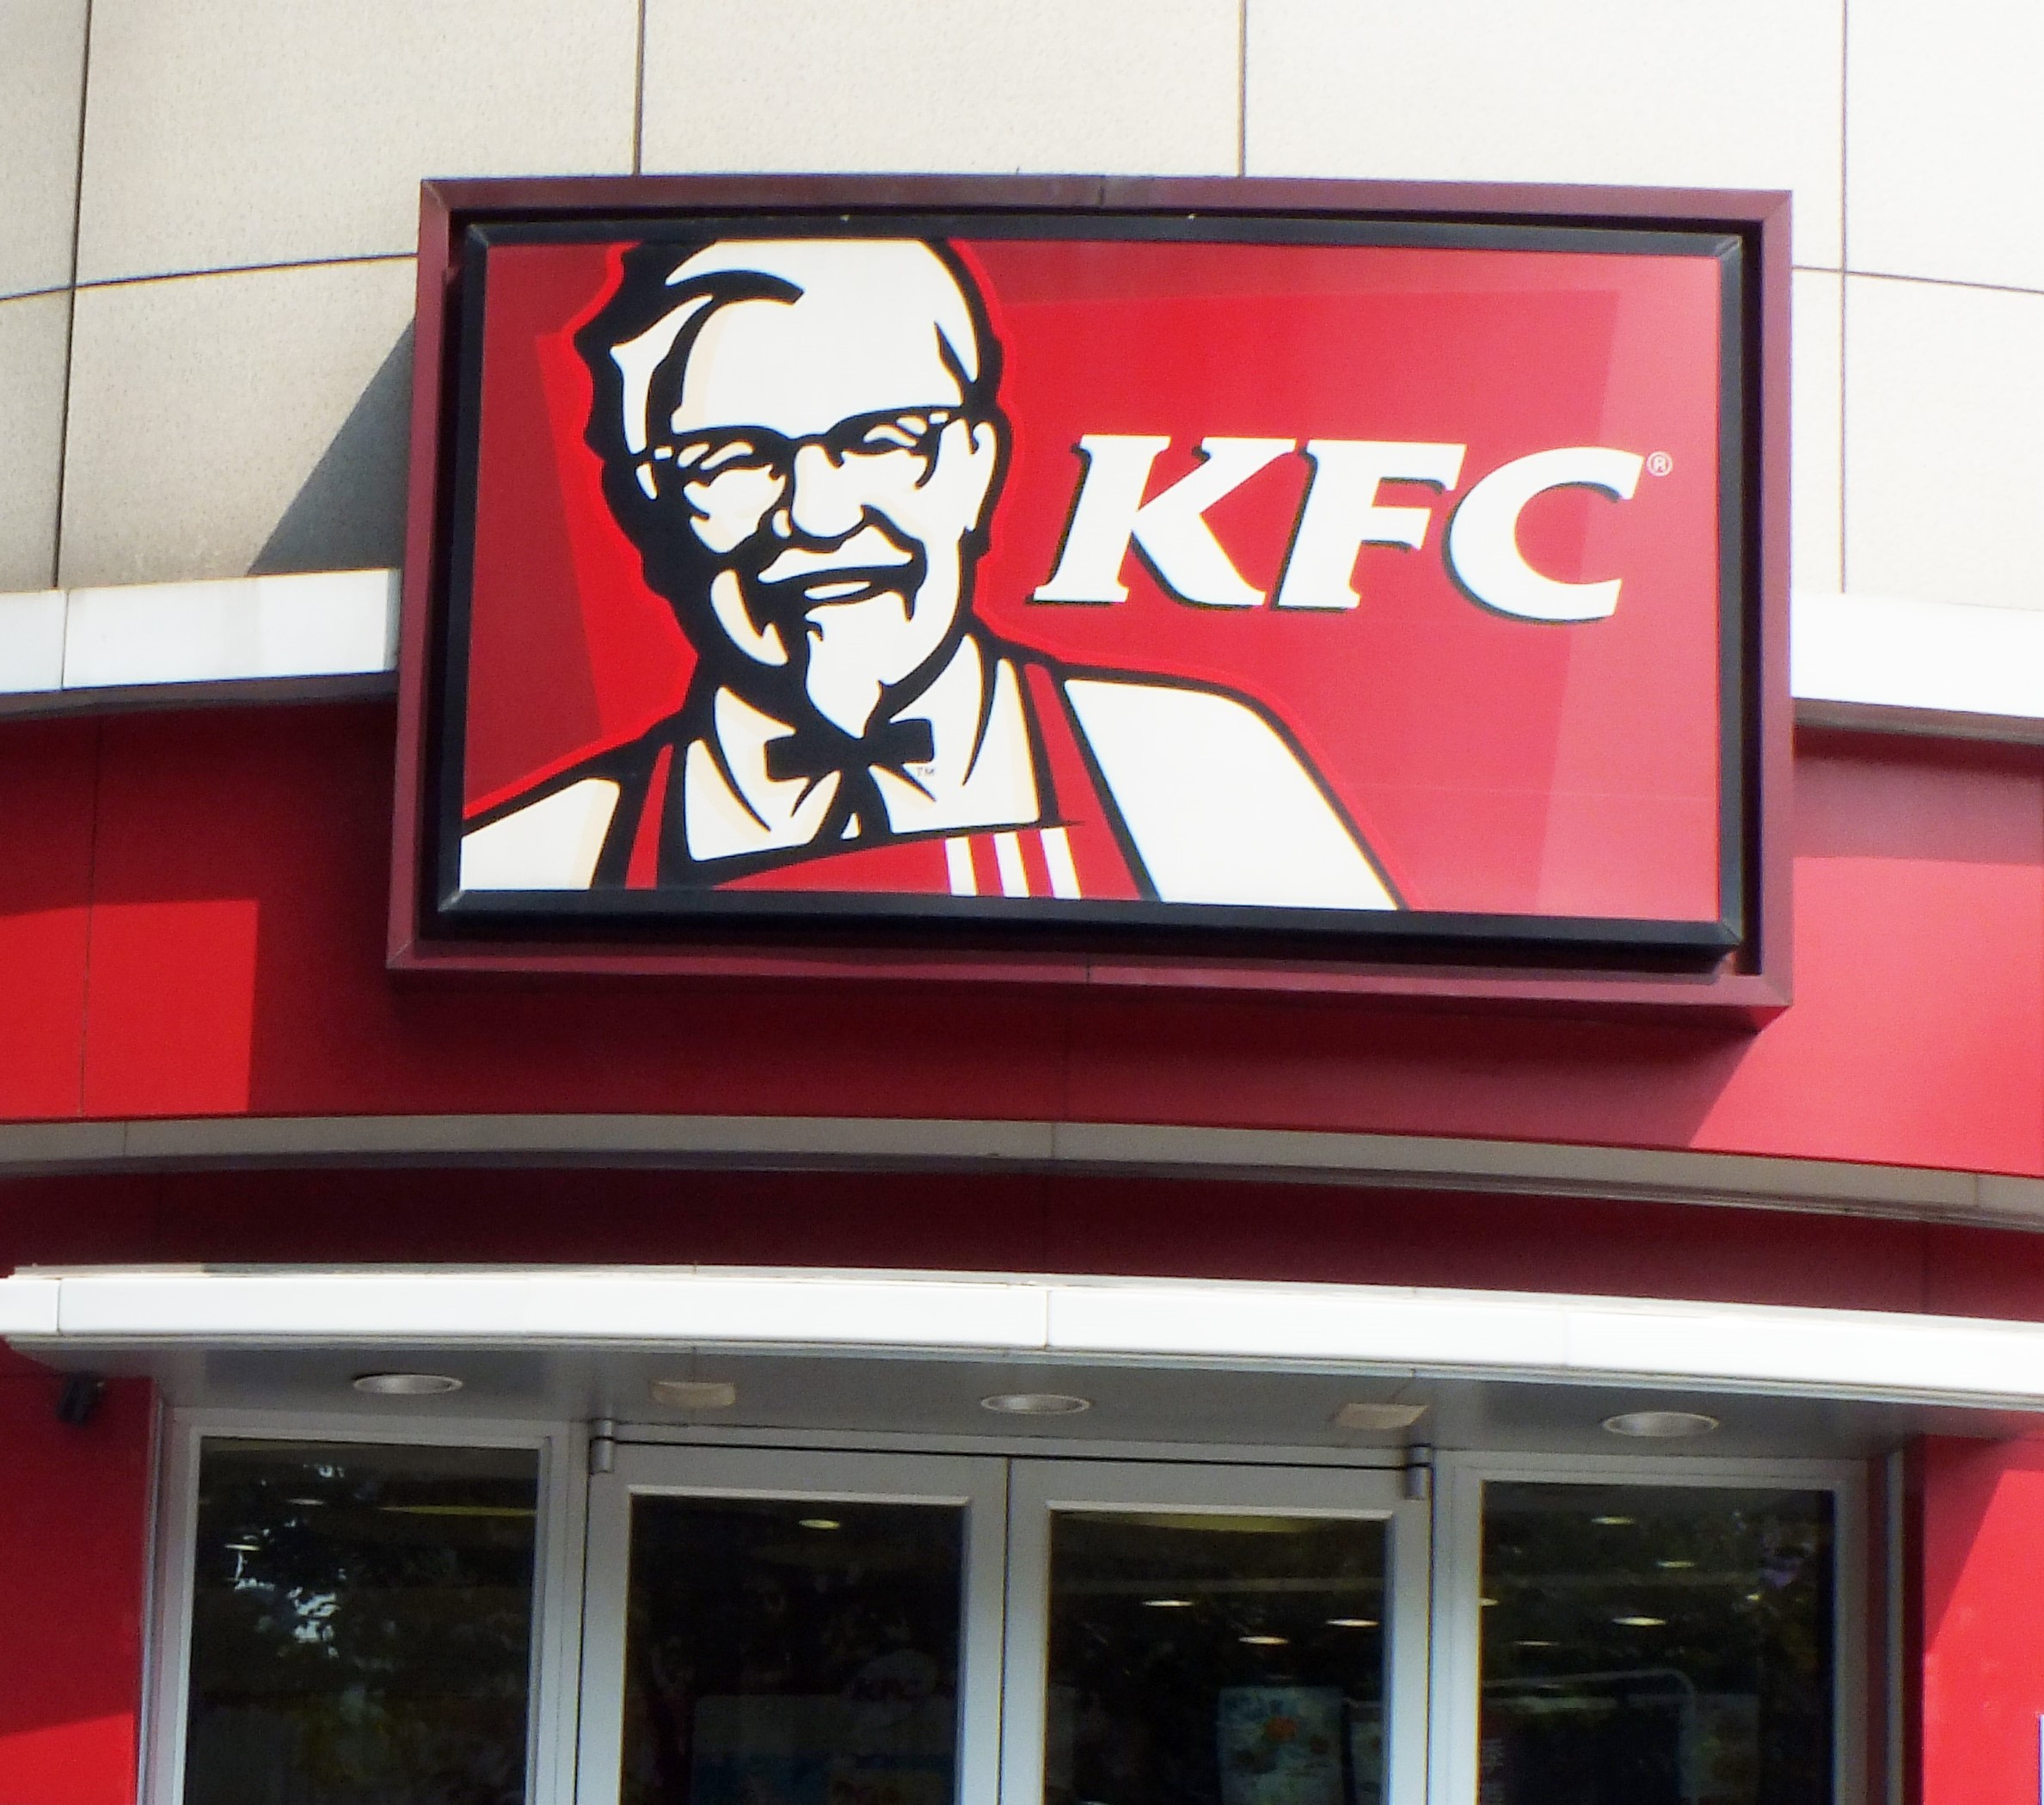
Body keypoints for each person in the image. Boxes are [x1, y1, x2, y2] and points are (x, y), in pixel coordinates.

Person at [459, 236, 1398, 912]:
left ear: (975, 466)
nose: (818, 515)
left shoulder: (1190, 768)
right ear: (648, 505)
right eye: (733, 458)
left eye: (880, 440)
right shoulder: (536, 857)